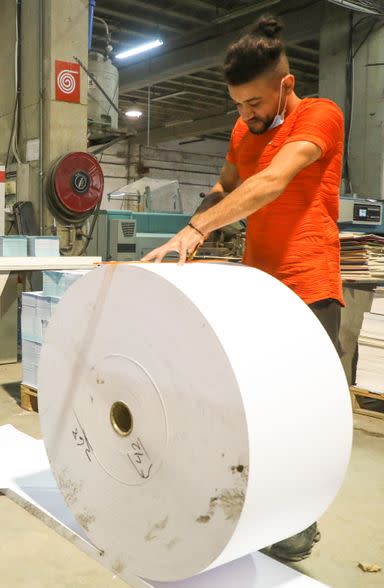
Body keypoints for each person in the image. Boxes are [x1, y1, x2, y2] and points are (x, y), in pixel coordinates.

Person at [143, 16, 344, 562]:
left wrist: (198, 229)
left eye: (253, 102)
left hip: (310, 288)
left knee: (303, 418)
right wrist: (189, 233)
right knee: (258, 412)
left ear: (285, 83)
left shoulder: (319, 116)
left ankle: (299, 526)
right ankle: (259, 510)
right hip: (260, 291)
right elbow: (226, 184)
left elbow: (272, 181)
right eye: (237, 104)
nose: (245, 115)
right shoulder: (242, 131)